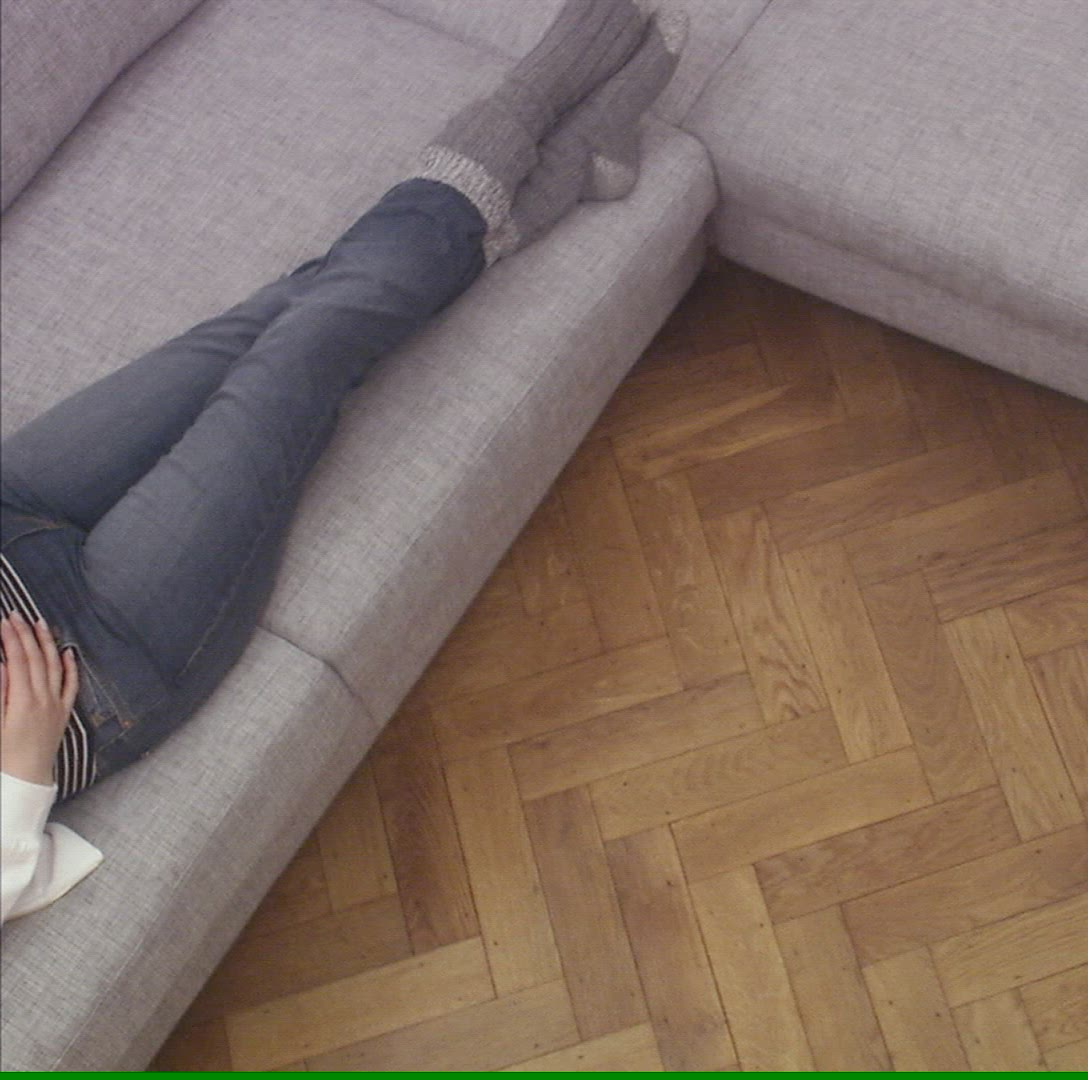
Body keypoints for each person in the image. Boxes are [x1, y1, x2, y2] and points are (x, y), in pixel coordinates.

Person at [0, 0, 685, 923]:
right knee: (311, 341)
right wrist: (19, 782)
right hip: (92, 664)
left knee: (284, 308)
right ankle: (533, 97)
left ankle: (555, 177)